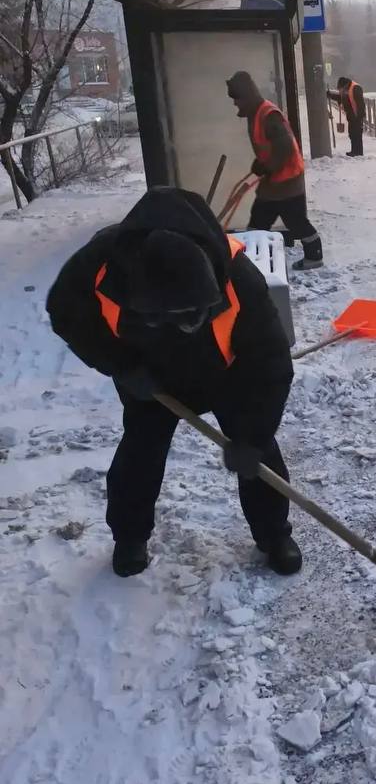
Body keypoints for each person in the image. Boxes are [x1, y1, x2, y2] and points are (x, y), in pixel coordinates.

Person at [46, 187, 303, 579]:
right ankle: (129, 537)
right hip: (149, 377)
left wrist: (252, 436)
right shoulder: (100, 266)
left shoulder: (239, 279)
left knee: (261, 455)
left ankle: (273, 534)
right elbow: (66, 316)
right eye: (162, 318)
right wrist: (120, 365)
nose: (180, 328)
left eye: (190, 318)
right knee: (140, 451)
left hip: (226, 374)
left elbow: (271, 365)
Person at [226, 70, 323, 270]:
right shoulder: (256, 113)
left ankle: (314, 256)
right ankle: (254, 257)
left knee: (293, 221)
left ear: (246, 96)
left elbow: (285, 147)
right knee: (261, 217)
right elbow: (268, 147)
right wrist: (260, 164)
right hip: (275, 181)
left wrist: (266, 166)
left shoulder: (268, 115)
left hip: (286, 180)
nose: (235, 103)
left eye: (237, 99)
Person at [328, 75, 365, 156]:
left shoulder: (355, 88)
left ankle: (358, 153)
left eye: (340, 88)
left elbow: (361, 105)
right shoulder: (347, 89)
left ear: (344, 85)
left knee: (357, 135)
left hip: (357, 117)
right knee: (352, 134)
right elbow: (340, 98)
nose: (340, 90)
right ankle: (354, 151)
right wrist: (330, 95)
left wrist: (360, 117)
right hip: (351, 117)